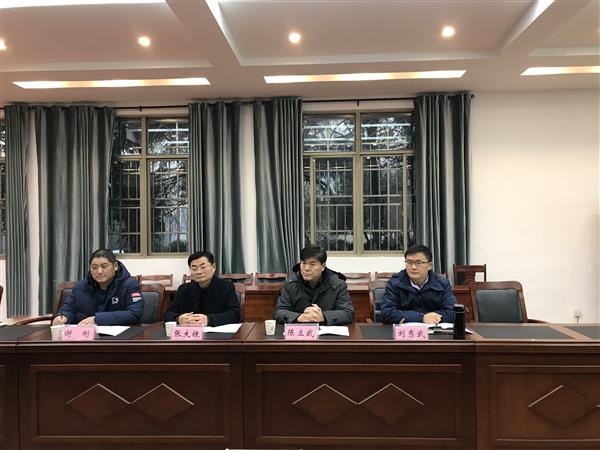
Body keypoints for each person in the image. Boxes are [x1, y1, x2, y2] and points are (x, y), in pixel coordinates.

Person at [52, 249, 143, 326]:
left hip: (120, 338)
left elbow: (134, 314)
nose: (99, 271)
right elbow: (68, 310)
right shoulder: (80, 287)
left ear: (115, 266)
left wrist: (97, 319)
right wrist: (63, 318)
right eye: (94, 267)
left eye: (104, 266)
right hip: (85, 337)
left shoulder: (130, 285)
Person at [273, 245, 354, 325]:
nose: (306, 268)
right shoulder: (291, 283)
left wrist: (323, 316)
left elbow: (348, 313)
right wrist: (299, 317)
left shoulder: (337, 284)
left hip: (326, 331)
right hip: (300, 330)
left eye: (312, 264)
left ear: (323, 266)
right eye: (303, 263)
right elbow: (279, 311)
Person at [381, 244, 456, 324]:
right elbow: (387, 312)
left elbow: (452, 312)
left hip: (434, 330)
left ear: (429, 266)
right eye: (409, 262)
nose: (413, 267)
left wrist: (431, 318)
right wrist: (421, 318)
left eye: (418, 263)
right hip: (405, 331)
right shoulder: (395, 283)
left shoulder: (442, 284)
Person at [164, 250, 240, 326]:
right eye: (194, 269)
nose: (199, 272)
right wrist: (178, 319)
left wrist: (209, 319)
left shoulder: (226, 287)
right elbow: (168, 313)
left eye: (203, 267)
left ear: (213, 267)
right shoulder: (183, 289)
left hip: (216, 332)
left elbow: (234, 314)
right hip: (190, 332)